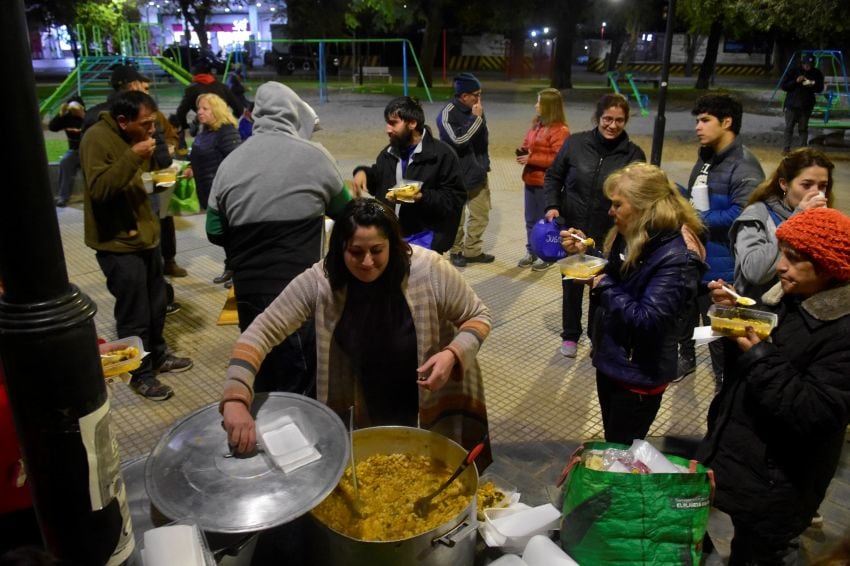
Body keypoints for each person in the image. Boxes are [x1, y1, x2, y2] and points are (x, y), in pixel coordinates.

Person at [221, 199, 492, 467]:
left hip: (433, 391)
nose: (367, 262)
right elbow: (260, 332)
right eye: (355, 252)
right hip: (369, 395)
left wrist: (452, 355)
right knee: (381, 467)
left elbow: (478, 316)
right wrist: (235, 398)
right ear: (340, 249)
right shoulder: (321, 281)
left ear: (393, 245)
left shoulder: (429, 270)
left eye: (377, 250)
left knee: (442, 471)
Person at [698, 207, 850, 565]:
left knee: (762, 554)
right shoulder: (788, 302)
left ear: (829, 267)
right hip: (750, 467)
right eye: (782, 252)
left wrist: (762, 358)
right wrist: (733, 326)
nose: (781, 266)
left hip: (780, 482)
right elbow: (749, 376)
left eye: (795, 259)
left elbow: (817, 412)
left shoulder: (842, 331)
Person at [206, 81, 351, 397]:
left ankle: (266, 436)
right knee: (299, 384)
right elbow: (347, 212)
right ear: (293, 114)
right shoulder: (315, 156)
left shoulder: (230, 164)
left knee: (262, 369)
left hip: (248, 292)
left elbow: (214, 231)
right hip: (299, 292)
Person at [562, 163, 704, 445]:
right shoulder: (632, 235)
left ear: (644, 207)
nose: (610, 212)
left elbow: (648, 318)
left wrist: (600, 284)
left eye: (617, 205)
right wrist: (586, 253)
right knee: (614, 441)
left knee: (623, 449)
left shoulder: (676, 258)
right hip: (613, 359)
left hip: (638, 374)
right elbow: (623, 278)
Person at [79, 90, 193, 401]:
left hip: (146, 237)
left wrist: (172, 178)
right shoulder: (97, 139)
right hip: (118, 244)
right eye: (145, 124)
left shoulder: (139, 139)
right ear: (123, 121)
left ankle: (157, 355)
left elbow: (139, 185)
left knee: (157, 305)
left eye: (153, 123)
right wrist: (134, 155)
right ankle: (139, 374)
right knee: (134, 312)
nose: (151, 130)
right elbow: (100, 189)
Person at [543, 93, 645, 358]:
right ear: (598, 117)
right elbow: (554, 176)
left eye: (619, 120)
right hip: (574, 229)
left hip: (610, 233)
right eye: (607, 119)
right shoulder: (576, 144)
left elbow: (640, 195)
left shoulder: (633, 154)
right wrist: (552, 205)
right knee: (572, 285)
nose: (613, 125)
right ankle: (570, 335)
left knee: (603, 287)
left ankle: (597, 337)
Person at [678, 93, 764, 382]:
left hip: (723, 270)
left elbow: (742, 214)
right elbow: (699, 200)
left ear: (726, 122)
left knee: (719, 338)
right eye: (698, 120)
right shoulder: (708, 159)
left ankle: (723, 390)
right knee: (688, 320)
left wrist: (695, 219)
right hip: (699, 260)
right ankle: (686, 360)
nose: (697, 127)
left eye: (705, 120)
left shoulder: (744, 166)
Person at [351, 96, 465, 254]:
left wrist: (421, 196)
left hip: (425, 241)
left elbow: (455, 199)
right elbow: (381, 182)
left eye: (393, 123)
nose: (387, 129)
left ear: (412, 123)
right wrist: (363, 173)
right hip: (391, 238)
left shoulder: (442, 155)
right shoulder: (388, 153)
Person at [730, 148, 833, 300]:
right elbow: (755, 273)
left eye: (822, 186)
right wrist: (796, 221)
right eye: (806, 185)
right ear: (784, 184)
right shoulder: (758, 215)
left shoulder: (826, 218)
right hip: (762, 313)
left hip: (805, 312)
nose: (815, 192)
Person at [436, 72, 494, 267]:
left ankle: (472, 251)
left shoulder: (476, 109)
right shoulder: (446, 114)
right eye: (476, 94)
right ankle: (456, 251)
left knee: (481, 215)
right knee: (457, 219)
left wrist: (484, 165)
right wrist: (476, 119)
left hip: (478, 174)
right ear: (464, 96)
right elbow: (459, 141)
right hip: (456, 177)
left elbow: (482, 140)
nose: (479, 99)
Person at [516, 88, 571, 270]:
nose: (536, 105)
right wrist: (523, 152)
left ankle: (546, 254)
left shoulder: (561, 131)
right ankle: (531, 250)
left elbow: (558, 159)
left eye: (539, 102)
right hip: (530, 180)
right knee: (530, 220)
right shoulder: (536, 125)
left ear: (549, 106)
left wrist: (531, 158)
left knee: (546, 222)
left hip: (546, 184)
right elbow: (527, 143)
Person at [187, 93, 242, 210]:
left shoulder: (227, 132)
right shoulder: (205, 130)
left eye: (205, 109)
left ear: (217, 111)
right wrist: (192, 168)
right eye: (199, 108)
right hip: (207, 194)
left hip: (221, 198)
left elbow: (237, 166)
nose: (199, 112)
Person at [175, 61, 244, 135]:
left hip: (205, 127)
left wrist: (185, 126)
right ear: (210, 74)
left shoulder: (192, 89)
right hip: (224, 124)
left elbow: (181, 112)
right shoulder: (222, 87)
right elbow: (239, 108)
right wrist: (229, 118)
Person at [781, 53, 824, 154]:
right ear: (802, 63)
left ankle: (802, 150)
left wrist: (812, 84)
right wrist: (796, 81)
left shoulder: (816, 73)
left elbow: (819, 88)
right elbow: (784, 86)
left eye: (810, 64)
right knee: (789, 127)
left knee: (803, 128)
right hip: (792, 104)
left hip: (806, 105)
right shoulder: (793, 71)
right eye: (806, 64)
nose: (808, 66)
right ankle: (786, 148)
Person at [48, 95, 85, 207]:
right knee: (65, 162)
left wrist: (82, 116)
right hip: (73, 150)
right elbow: (52, 127)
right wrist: (61, 114)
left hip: (87, 150)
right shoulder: (67, 118)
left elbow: (93, 127)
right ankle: (63, 197)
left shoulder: (87, 117)